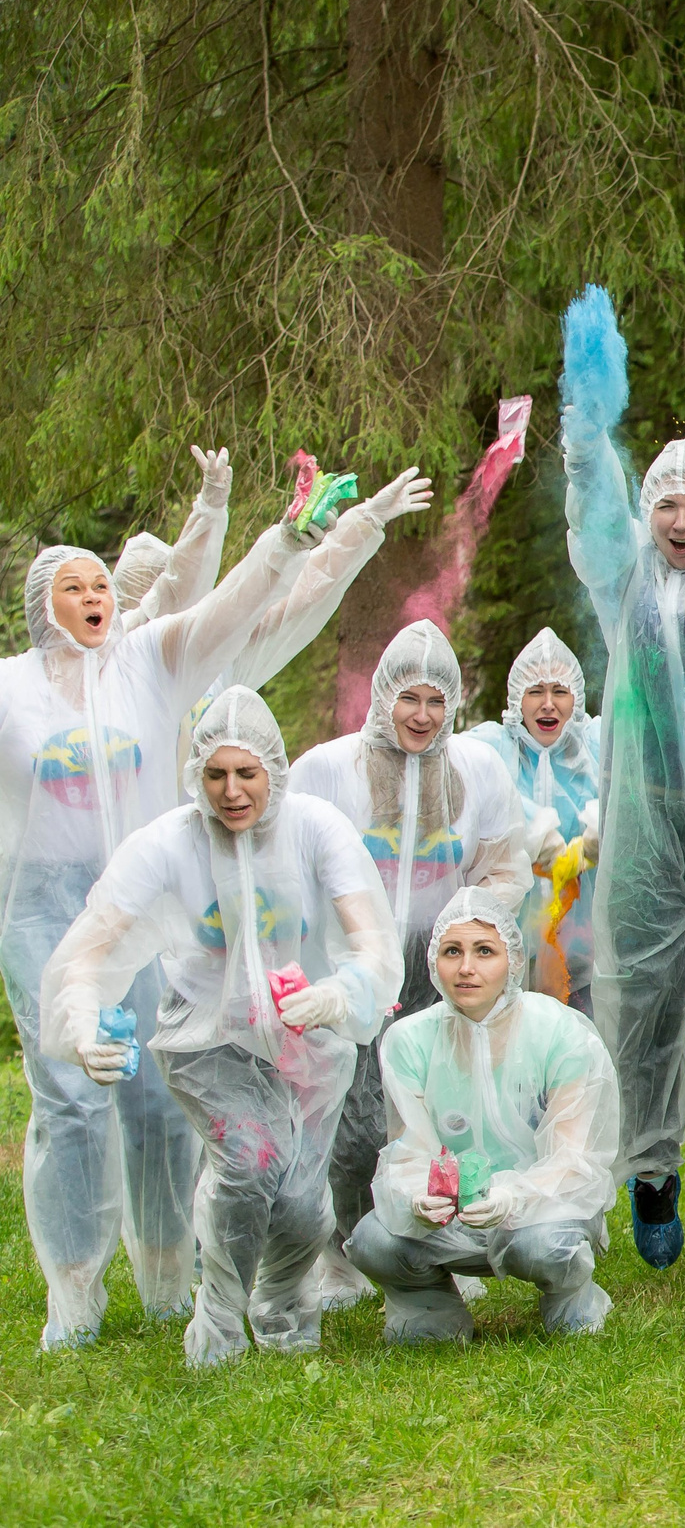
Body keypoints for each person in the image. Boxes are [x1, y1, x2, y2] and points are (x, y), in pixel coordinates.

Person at [1, 473, 419, 1352]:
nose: (92, 599)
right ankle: (76, 1292)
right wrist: (76, 1013)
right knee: (75, 1095)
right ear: (43, 604)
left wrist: (298, 534)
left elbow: (246, 602)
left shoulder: (154, 666)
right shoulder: (16, 692)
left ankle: (172, 1278)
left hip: (184, 919)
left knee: (165, 1107)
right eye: (72, 587)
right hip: (63, 904)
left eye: (99, 586)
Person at [40, 688, 399, 1366]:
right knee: (249, 1158)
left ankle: (283, 1303)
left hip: (304, 1034)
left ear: (275, 771)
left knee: (300, 1202)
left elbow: (372, 943)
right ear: (196, 776)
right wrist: (81, 1021)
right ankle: (219, 1321)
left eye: (247, 773)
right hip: (208, 1036)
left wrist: (339, 991)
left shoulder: (316, 828)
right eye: (215, 774)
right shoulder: (168, 843)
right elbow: (89, 948)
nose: (232, 791)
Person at [295, 619, 533, 1305]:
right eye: (409, 699)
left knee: (447, 1109)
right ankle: (344, 1254)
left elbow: (505, 865)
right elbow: (293, 861)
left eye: (436, 701)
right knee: (356, 1119)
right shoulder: (328, 769)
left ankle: (446, 1246)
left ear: (453, 703)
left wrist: (468, 937)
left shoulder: (476, 770)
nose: (422, 715)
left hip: (439, 961)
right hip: (358, 960)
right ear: (381, 697)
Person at [566, 412, 685, 1269]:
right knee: (646, 1001)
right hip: (644, 823)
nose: (681, 522)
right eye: (665, 505)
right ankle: (653, 1175)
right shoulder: (624, 577)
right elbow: (594, 528)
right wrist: (587, 457)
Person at [345, 888, 619, 1343]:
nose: (466, 967)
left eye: (484, 951)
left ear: (512, 960)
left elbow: (575, 1162)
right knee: (375, 1240)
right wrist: (416, 1195)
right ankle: (428, 1310)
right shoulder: (409, 1041)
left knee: (547, 1247)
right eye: (452, 951)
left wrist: (513, 1197)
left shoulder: (559, 1033)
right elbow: (409, 1151)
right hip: (451, 1218)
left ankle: (572, 1301)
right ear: (435, 960)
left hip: (540, 1213)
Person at [464, 630, 600, 1012]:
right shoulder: (491, 748)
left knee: (577, 1048)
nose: (548, 704)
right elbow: (461, 777)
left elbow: (633, 789)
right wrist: (536, 832)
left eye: (560, 691)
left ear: (577, 698)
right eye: (535, 691)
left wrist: (600, 831)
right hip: (507, 939)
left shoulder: (596, 746)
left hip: (582, 944)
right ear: (516, 701)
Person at [112, 446, 230, 627]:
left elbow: (180, 577)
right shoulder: (118, 638)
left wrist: (210, 511)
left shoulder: (185, 638)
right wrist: (210, 510)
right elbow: (179, 578)